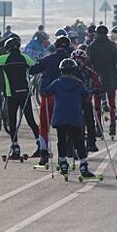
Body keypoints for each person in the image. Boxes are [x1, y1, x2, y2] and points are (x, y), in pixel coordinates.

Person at [0, 36, 40, 158]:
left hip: (11, 94)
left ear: (8, 49)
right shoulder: (24, 58)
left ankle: (15, 148)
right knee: (31, 120)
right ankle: (41, 145)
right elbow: (35, 67)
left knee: (13, 121)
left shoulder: (5, 58)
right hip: (25, 93)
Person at [41, 58, 97, 179]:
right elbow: (88, 96)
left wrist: (44, 80)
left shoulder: (57, 82)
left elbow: (45, 93)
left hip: (60, 116)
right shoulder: (79, 83)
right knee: (78, 140)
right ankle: (83, 165)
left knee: (61, 139)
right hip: (74, 116)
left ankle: (63, 163)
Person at [29, 35, 71, 165]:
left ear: (55, 46)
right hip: (65, 98)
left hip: (47, 96)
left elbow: (32, 70)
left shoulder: (47, 59)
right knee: (64, 127)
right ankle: (63, 157)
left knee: (44, 125)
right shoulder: (70, 61)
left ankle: (43, 153)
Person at [87, 25, 117, 138]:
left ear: (96, 34)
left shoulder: (92, 46)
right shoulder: (111, 45)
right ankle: (112, 124)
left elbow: (88, 63)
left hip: (96, 78)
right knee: (112, 103)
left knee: (97, 105)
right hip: (111, 77)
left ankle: (99, 127)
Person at [72, 49, 100, 153]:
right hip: (74, 100)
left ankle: (92, 142)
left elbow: (97, 80)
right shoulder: (71, 71)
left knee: (90, 121)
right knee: (71, 122)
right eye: (76, 59)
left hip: (87, 99)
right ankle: (70, 144)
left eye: (81, 60)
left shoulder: (89, 71)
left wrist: (97, 88)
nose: (79, 62)